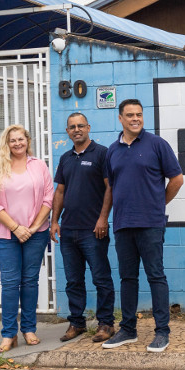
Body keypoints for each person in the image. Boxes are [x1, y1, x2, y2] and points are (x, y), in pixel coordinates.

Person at [101, 99, 183, 353]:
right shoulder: (112, 150)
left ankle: (162, 332)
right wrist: (104, 217)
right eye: (130, 115)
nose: (135, 118)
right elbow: (111, 188)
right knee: (127, 278)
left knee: (156, 276)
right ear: (120, 118)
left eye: (139, 114)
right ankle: (128, 329)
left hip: (150, 223)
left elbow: (177, 179)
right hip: (123, 223)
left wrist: (158, 204)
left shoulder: (157, 144)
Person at [0, 124, 53, 353]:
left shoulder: (39, 166)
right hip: (7, 234)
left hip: (36, 233)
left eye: (20, 139)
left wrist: (32, 228)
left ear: (27, 140)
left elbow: (48, 198)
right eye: (12, 140)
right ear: (7, 143)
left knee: (30, 281)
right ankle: (8, 334)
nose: (17, 143)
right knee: (10, 283)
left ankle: (29, 329)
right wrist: (16, 228)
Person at [50, 112, 117, 343]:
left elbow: (110, 188)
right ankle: (76, 323)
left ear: (88, 127)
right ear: (67, 132)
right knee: (73, 280)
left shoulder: (102, 153)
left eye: (80, 126)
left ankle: (106, 324)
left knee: (101, 278)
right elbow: (60, 191)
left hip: (93, 230)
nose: (76, 129)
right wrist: (54, 221)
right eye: (71, 127)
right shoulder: (66, 157)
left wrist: (102, 219)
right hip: (68, 231)